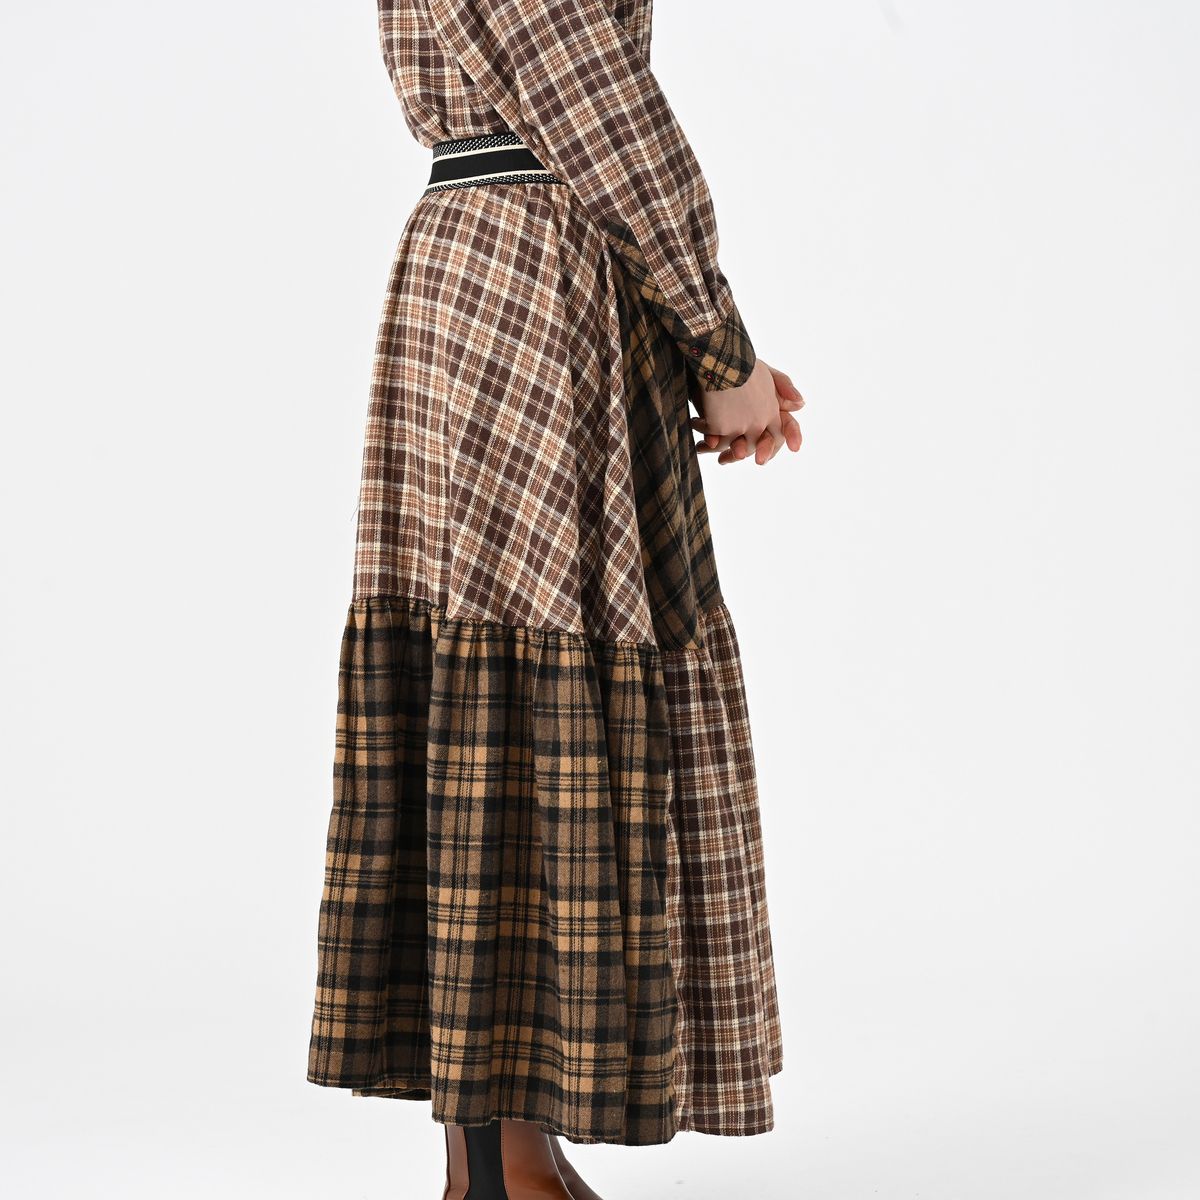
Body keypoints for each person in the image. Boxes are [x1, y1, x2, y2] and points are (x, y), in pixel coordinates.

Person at [307, 1, 804, 1195]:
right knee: (519, 691)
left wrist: (703, 340)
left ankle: (505, 1160)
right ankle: (501, 1174)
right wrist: (721, 346)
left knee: (491, 694)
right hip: (535, 272)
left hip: (484, 258)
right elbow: (599, 109)